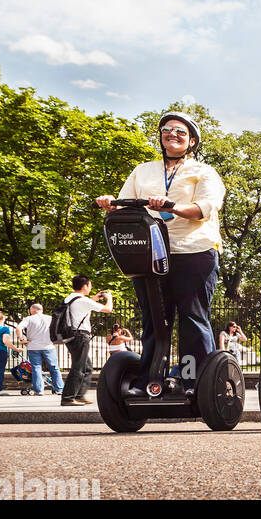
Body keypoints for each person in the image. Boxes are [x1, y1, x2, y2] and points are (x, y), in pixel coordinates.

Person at [97, 110, 226, 393]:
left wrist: (172, 206)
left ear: (191, 141)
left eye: (181, 132)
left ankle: (194, 381)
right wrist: (111, 202)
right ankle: (151, 379)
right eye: (167, 129)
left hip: (194, 250)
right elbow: (125, 203)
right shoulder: (143, 170)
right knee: (154, 317)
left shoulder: (204, 172)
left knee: (191, 317)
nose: (173, 135)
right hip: (150, 251)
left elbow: (205, 208)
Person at [59, 275, 113, 406]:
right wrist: (109, 298)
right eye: (90, 285)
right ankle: (68, 398)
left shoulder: (70, 298)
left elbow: (84, 308)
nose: (91, 288)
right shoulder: (83, 300)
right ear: (84, 286)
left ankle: (79, 395)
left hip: (71, 335)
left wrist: (94, 298)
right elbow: (108, 309)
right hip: (80, 336)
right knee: (78, 367)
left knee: (87, 367)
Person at [17, 302, 63, 398]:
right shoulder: (50, 318)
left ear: (32, 310)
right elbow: (59, 330)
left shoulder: (28, 319)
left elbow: (18, 328)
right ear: (41, 310)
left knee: (36, 368)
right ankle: (59, 389)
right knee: (54, 368)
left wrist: (22, 340)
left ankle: (39, 390)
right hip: (49, 346)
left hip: (33, 346)